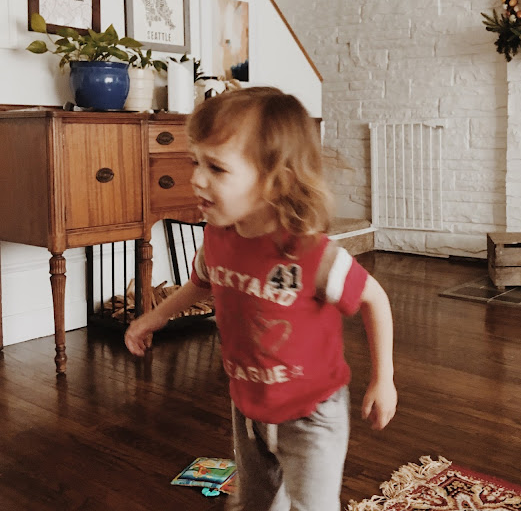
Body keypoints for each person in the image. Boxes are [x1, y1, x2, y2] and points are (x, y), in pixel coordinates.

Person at [125, 86, 397, 511]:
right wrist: (154, 317)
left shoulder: (313, 256)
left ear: (276, 181)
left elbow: (374, 300)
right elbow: (200, 283)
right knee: (256, 502)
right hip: (248, 407)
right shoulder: (217, 239)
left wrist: (384, 379)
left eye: (216, 167)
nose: (197, 178)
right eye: (195, 161)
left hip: (312, 414)